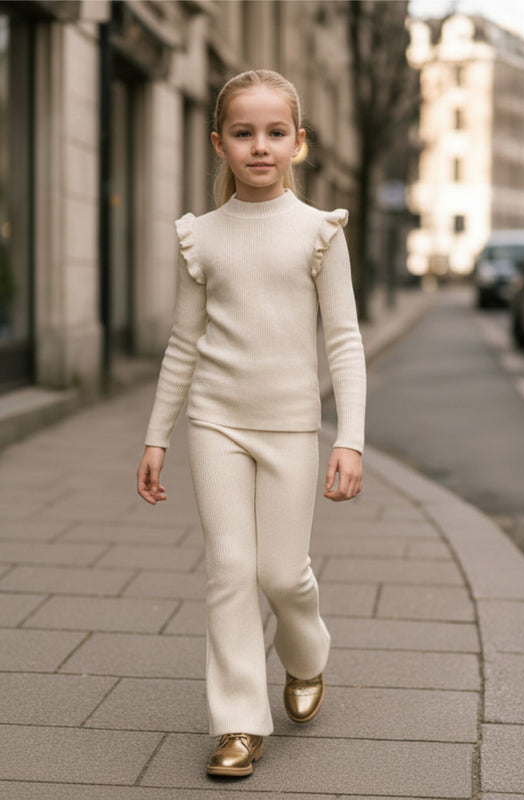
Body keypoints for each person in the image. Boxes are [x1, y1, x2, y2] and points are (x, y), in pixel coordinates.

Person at [136, 69, 366, 778]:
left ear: (297, 143)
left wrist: (350, 438)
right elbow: (183, 341)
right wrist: (157, 433)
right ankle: (237, 723)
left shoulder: (318, 232)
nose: (258, 147)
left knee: (281, 574)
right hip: (216, 424)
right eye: (243, 133)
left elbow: (344, 342)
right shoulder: (199, 238)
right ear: (219, 144)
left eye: (274, 133)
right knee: (230, 571)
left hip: (292, 429)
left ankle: (306, 655)